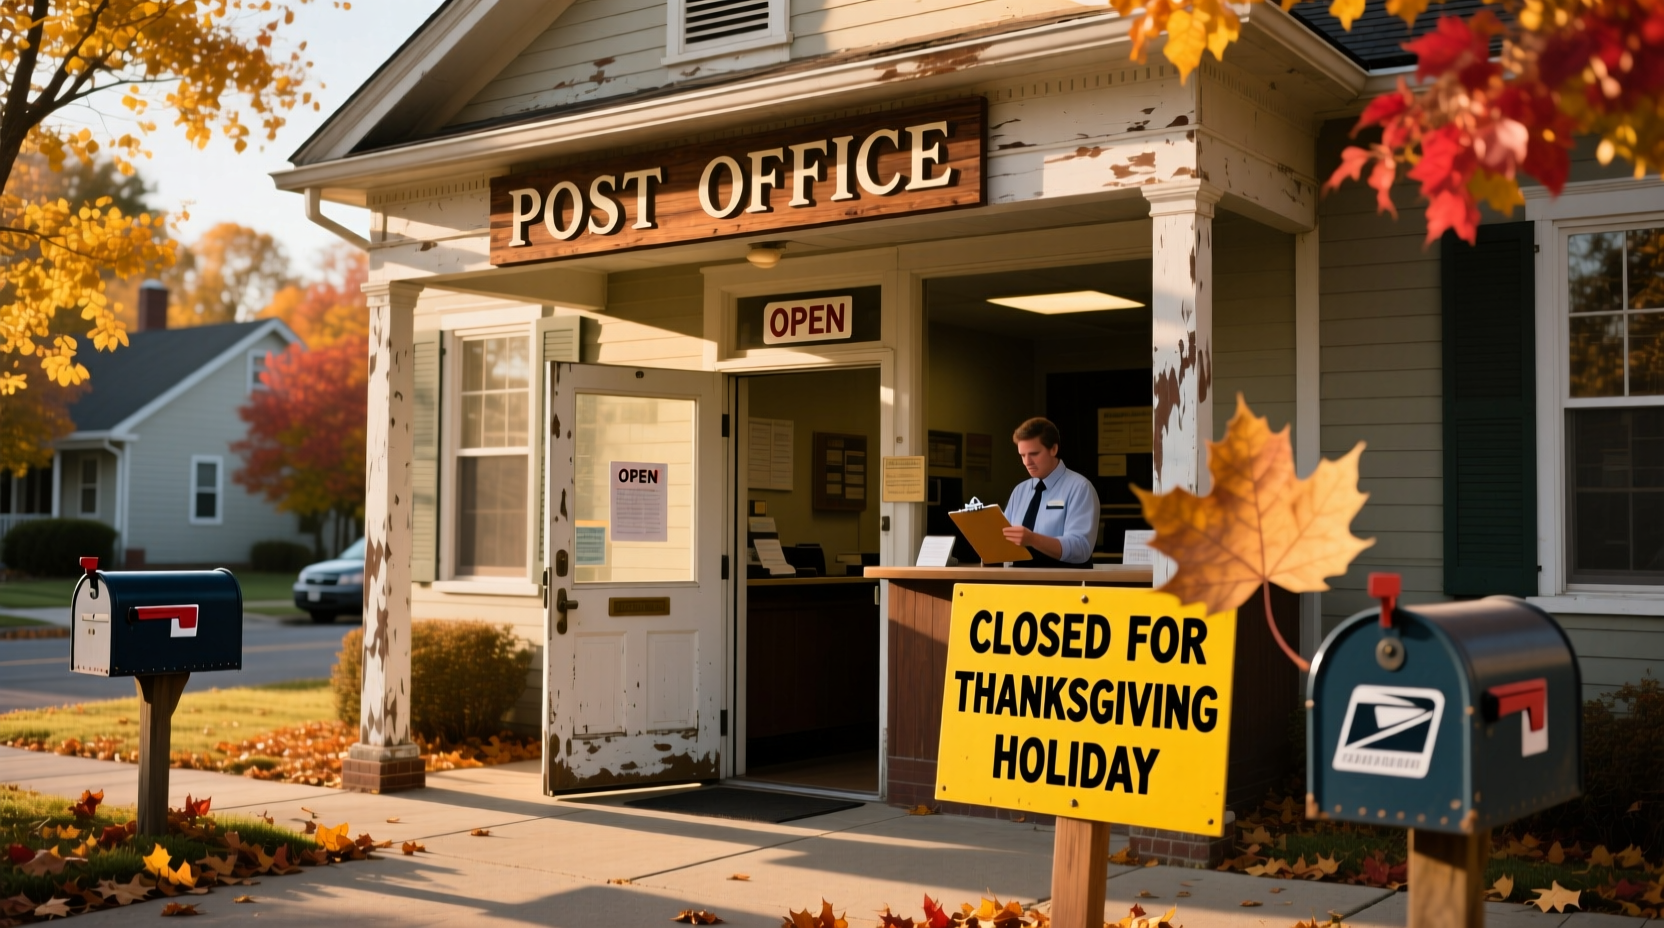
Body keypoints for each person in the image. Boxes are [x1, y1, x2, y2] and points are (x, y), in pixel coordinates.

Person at [1000, 417, 1100, 568]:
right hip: (1019, 584)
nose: (1027, 462)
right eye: (1022, 455)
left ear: (1053, 449)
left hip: (1062, 585)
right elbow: (1003, 541)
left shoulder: (1080, 488)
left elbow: (1081, 548)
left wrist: (1033, 539)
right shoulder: (1019, 491)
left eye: (1034, 454)